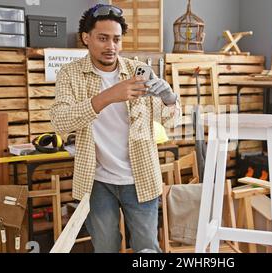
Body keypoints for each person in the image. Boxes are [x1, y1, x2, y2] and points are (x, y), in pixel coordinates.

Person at [50, 4, 181, 253]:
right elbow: (60, 121)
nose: (111, 46)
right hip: (97, 181)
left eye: (116, 39)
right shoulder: (70, 74)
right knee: (105, 248)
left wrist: (169, 99)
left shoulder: (137, 71)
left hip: (141, 177)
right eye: (103, 38)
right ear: (86, 38)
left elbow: (170, 121)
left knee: (147, 249)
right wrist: (108, 96)